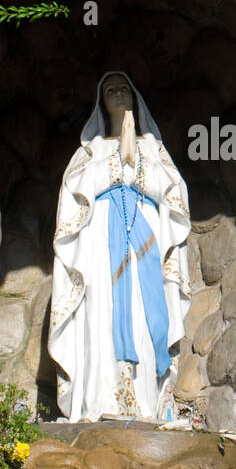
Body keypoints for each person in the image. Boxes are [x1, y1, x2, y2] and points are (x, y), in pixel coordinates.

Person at [47, 72, 191, 423]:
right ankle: (98, 403)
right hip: (99, 246)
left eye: (124, 87)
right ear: (100, 101)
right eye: (110, 89)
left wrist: (137, 163)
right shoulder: (90, 151)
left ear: (135, 96)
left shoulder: (153, 148)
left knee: (144, 315)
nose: (118, 93)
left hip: (145, 245)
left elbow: (174, 195)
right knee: (101, 313)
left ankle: (144, 404)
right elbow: (72, 197)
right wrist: (116, 165)